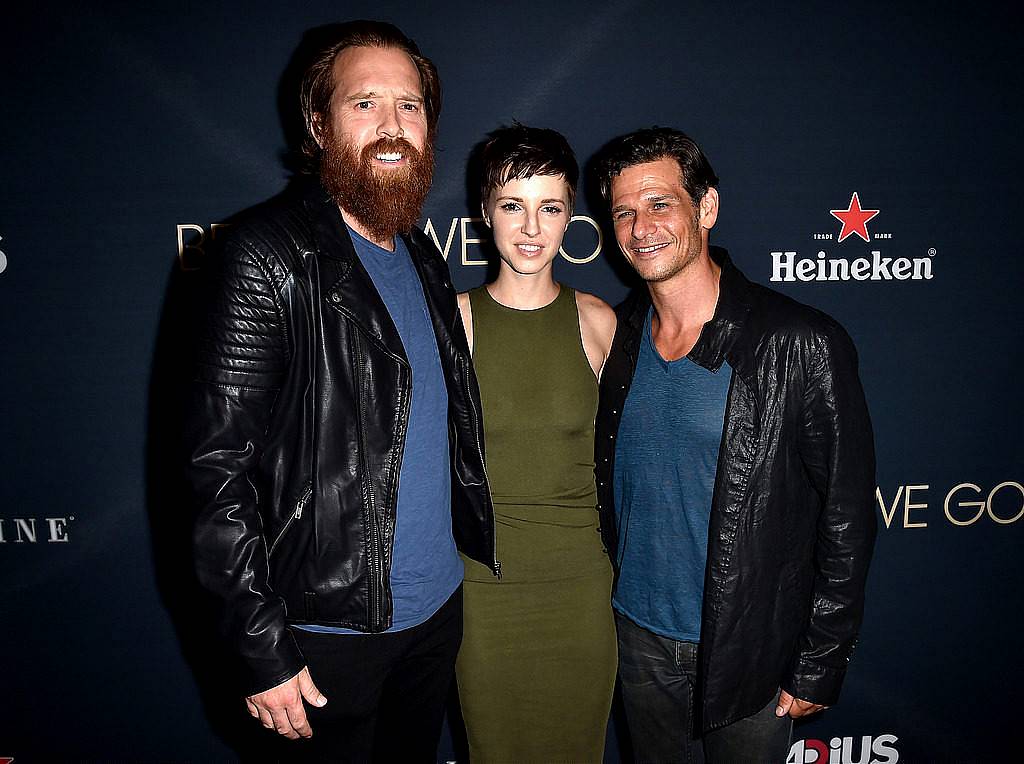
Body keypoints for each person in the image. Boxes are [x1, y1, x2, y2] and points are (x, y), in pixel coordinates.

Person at [184, 20, 496, 762]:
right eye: (365, 104)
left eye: (410, 106)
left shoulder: (420, 250)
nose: (393, 127)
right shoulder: (267, 254)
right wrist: (261, 648)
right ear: (318, 125)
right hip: (324, 639)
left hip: (433, 618)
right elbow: (213, 471)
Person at [592, 127, 877, 763]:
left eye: (660, 203)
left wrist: (819, 658)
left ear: (707, 208)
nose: (641, 228)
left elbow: (848, 515)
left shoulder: (800, 343)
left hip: (748, 646)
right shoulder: (623, 335)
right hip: (636, 637)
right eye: (623, 212)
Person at [454, 125, 618, 762]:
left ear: (569, 216)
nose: (530, 228)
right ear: (485, 214)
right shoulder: (455, 319)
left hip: (580, 590)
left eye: (549, 208)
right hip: (481, 593)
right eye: (512, 206)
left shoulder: (598, 321)